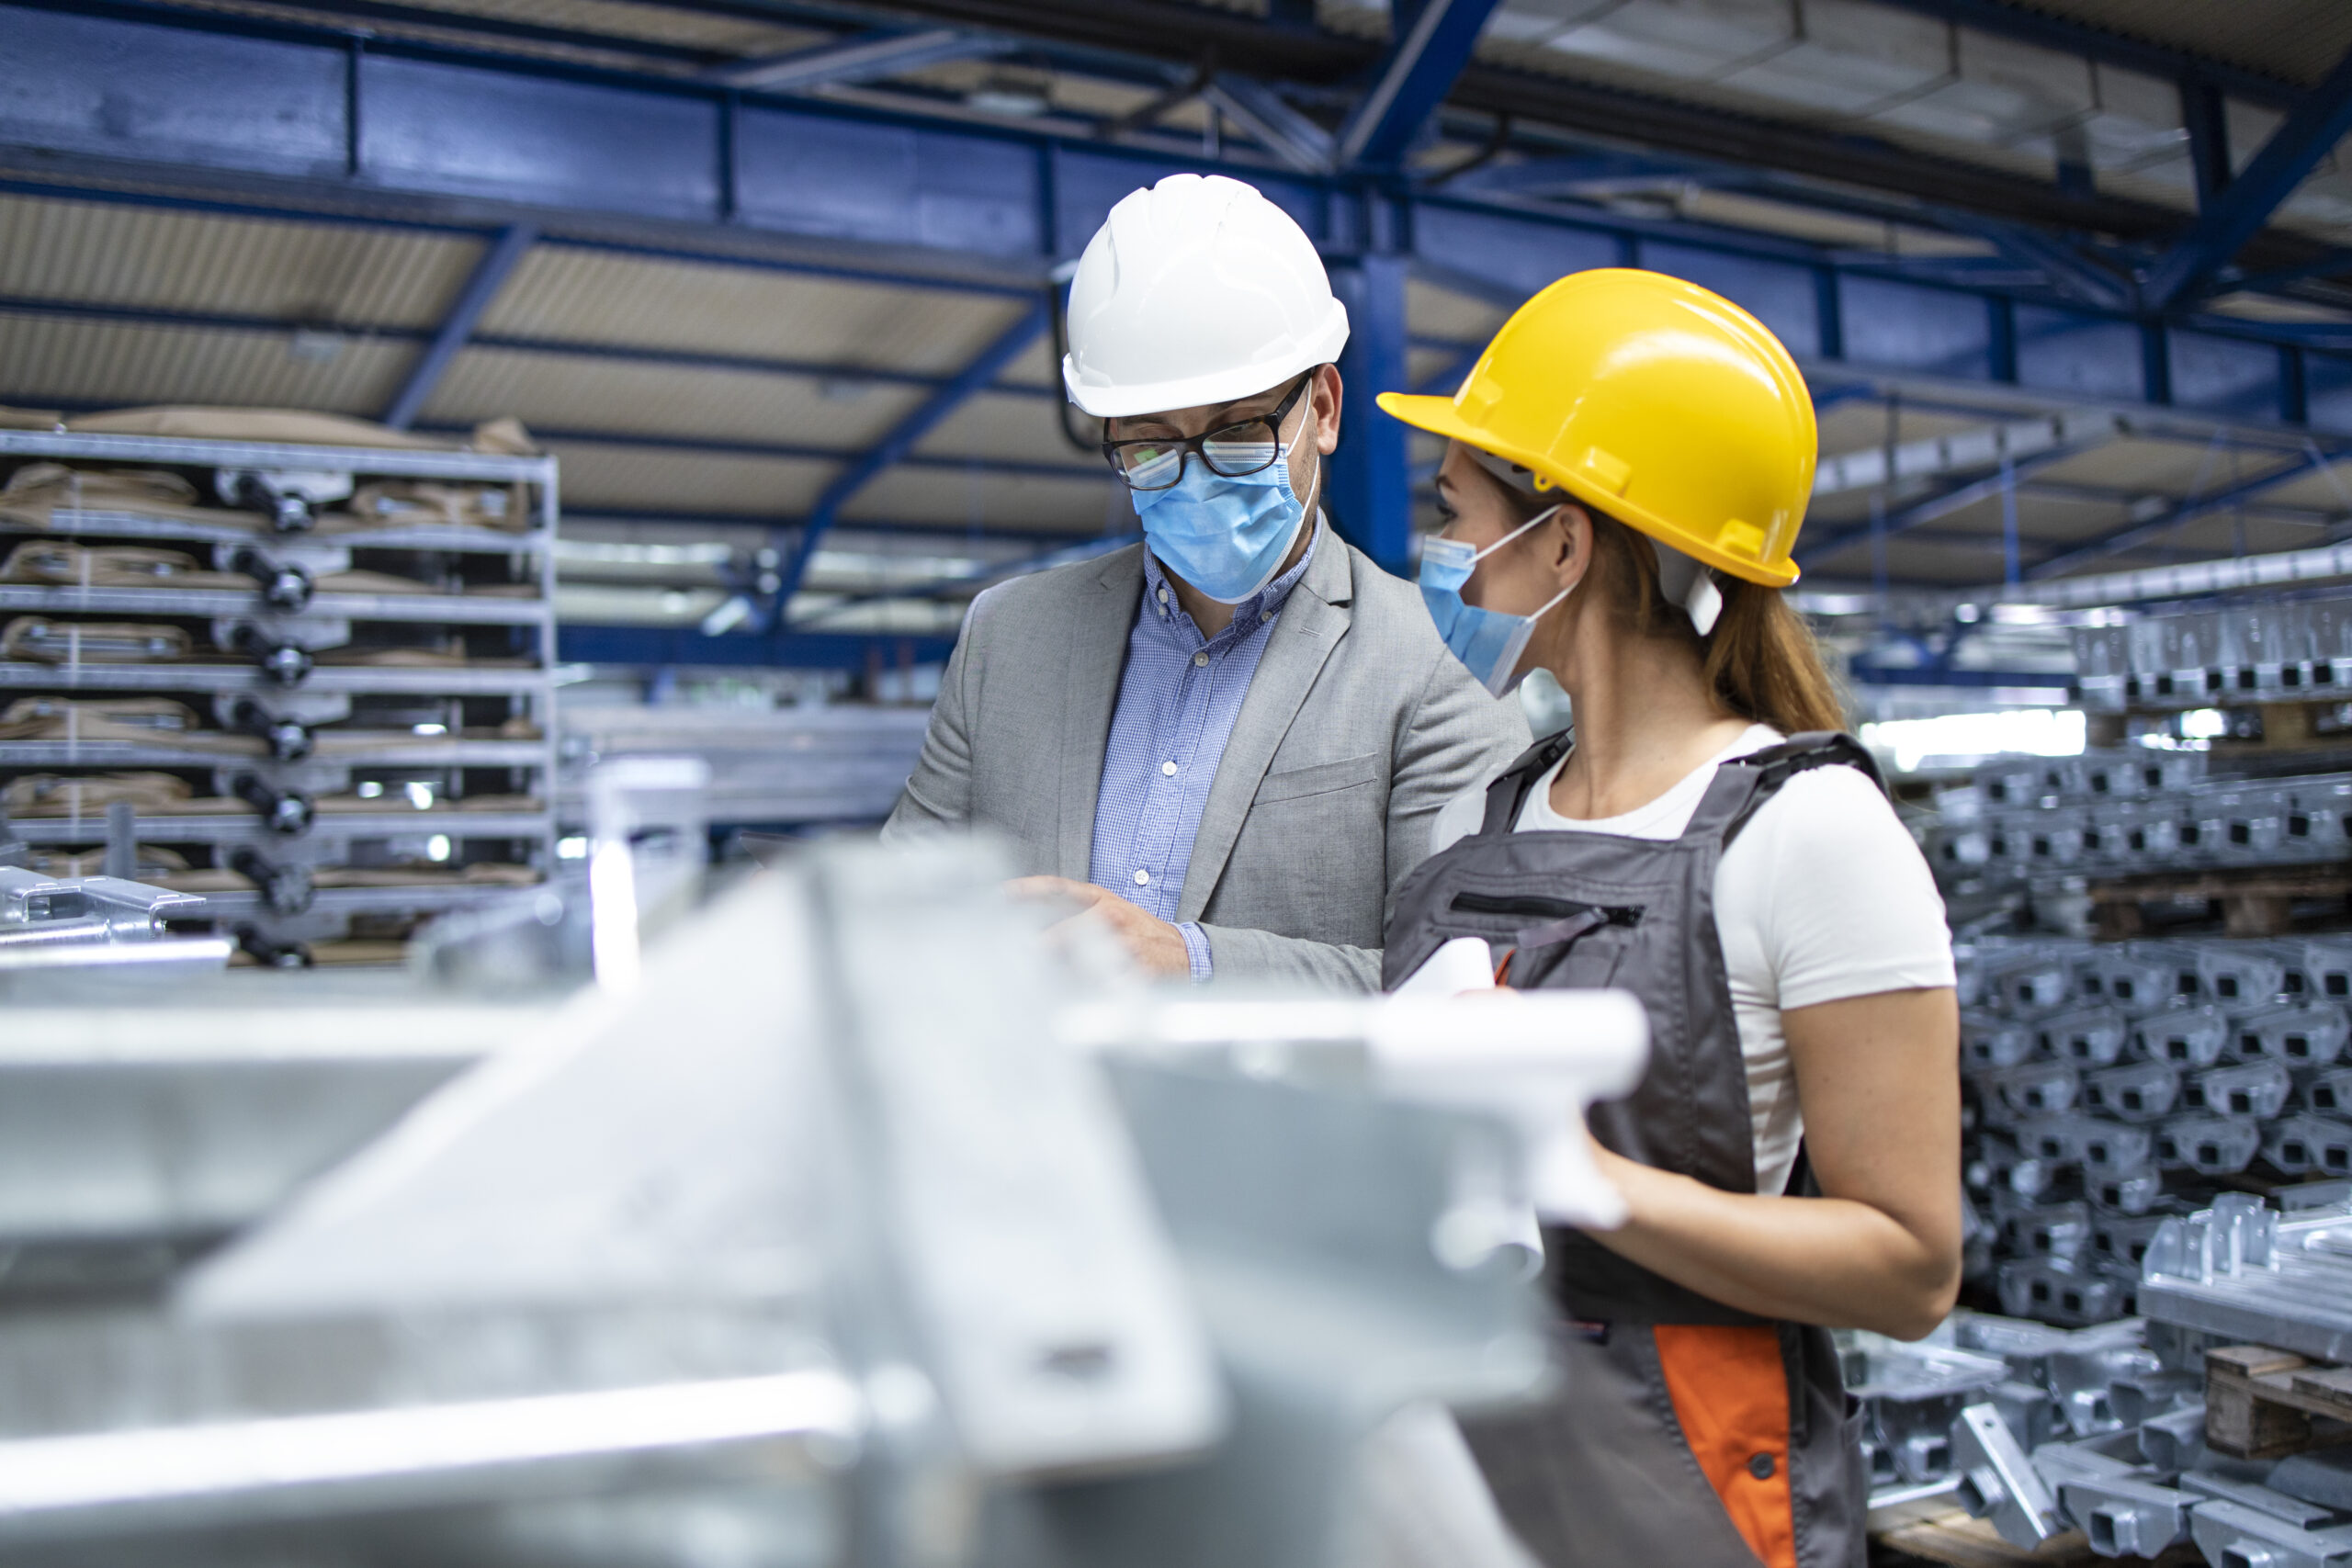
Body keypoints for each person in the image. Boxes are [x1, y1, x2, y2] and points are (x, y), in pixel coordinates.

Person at [1375, 269, 1962, 1568]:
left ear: (1567, 545)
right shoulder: (1484, 818)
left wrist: (1576, 1175)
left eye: (1454, 511)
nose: (1437, 552)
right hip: (1457, 1482)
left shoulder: (1808, 835)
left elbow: (1911, 1266)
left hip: (1679, 1488)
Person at [883, 173, 1528, 988]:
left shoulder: (1438, 663)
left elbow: (1464, 982)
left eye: (1236, 434)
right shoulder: (1006, 640)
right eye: (1151, 445)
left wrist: (1195, 962)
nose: (1194, 477)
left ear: (1322, 410)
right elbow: (902, 908)